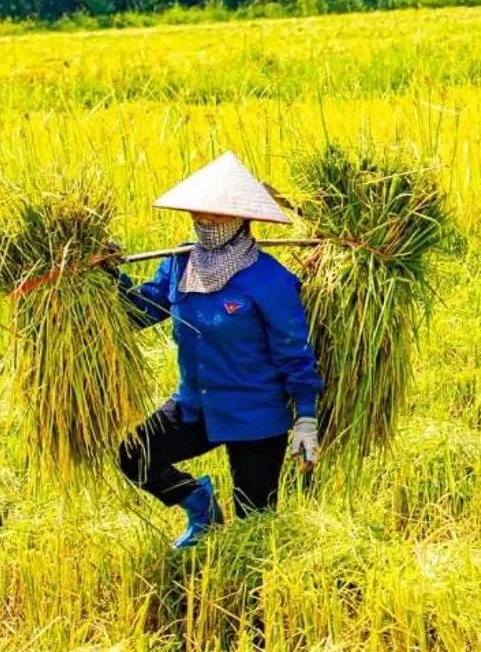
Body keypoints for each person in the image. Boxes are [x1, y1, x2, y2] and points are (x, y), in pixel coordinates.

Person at [112, 152, 323, 548]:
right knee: (133, 456)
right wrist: (106, 278)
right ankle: (200, 506)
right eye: (198, 215)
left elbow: (294, 352)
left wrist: (306, 419)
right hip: (194, 407)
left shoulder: (269, 281)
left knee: (254, 525)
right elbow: (143, 310)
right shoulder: (180, 263)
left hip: (255, 415)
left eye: (217, 216)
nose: (205, 223)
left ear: (243, 219)